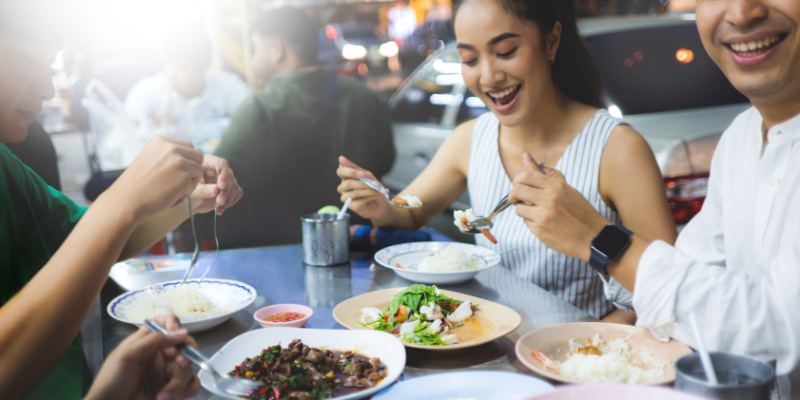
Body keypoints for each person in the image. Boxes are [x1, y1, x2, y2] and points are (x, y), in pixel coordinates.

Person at [508, 0, 800, 396]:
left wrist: (603, 240)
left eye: (506, 51)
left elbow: (778, 325)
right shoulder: (740, 137)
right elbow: (688, 285)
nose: (741, 12)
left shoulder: (617, 140)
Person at [338, 0, 676, 322]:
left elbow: (664, 289)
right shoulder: (470, 138)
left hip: (583, 359)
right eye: (470, 59)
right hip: (494, 346)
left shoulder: (618, 148)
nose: (488, 76)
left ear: (551, 41)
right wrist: (378, 205)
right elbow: (408, 213)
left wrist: (578, 351)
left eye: (505, 52)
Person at [0, 2, 244, 398]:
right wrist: (122, 200)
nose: (46, 89)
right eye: (27, 58)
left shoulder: (5, 164)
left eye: (49, 66)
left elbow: (81, 239)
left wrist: (187, 202)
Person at [212, 8, 395, 248]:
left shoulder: (260, 106)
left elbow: (218, 180)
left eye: (256, 49)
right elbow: (386, 160)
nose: (254, 60)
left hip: (279, 254)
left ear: (276, 49)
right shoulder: (364, 97)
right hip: (358, 245)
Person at [124, 25, 250, 144]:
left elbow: (252, 121)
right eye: (168, 65)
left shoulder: (228, 86)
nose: (172, 74)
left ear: (203, 69)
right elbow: (125, 128)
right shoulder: (148, 90)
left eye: (181, 67)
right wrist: (150, 128)